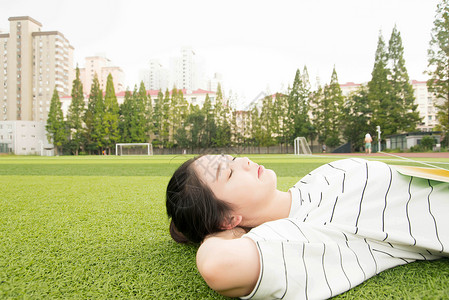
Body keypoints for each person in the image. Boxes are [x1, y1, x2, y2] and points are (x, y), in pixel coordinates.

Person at [166, 155, 449, 299]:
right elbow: (220, 265)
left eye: (230, 157)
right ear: (227, 220)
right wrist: (224, 234)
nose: (242, 161)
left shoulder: (314, 180)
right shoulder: (302, 233)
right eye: (228, 172)